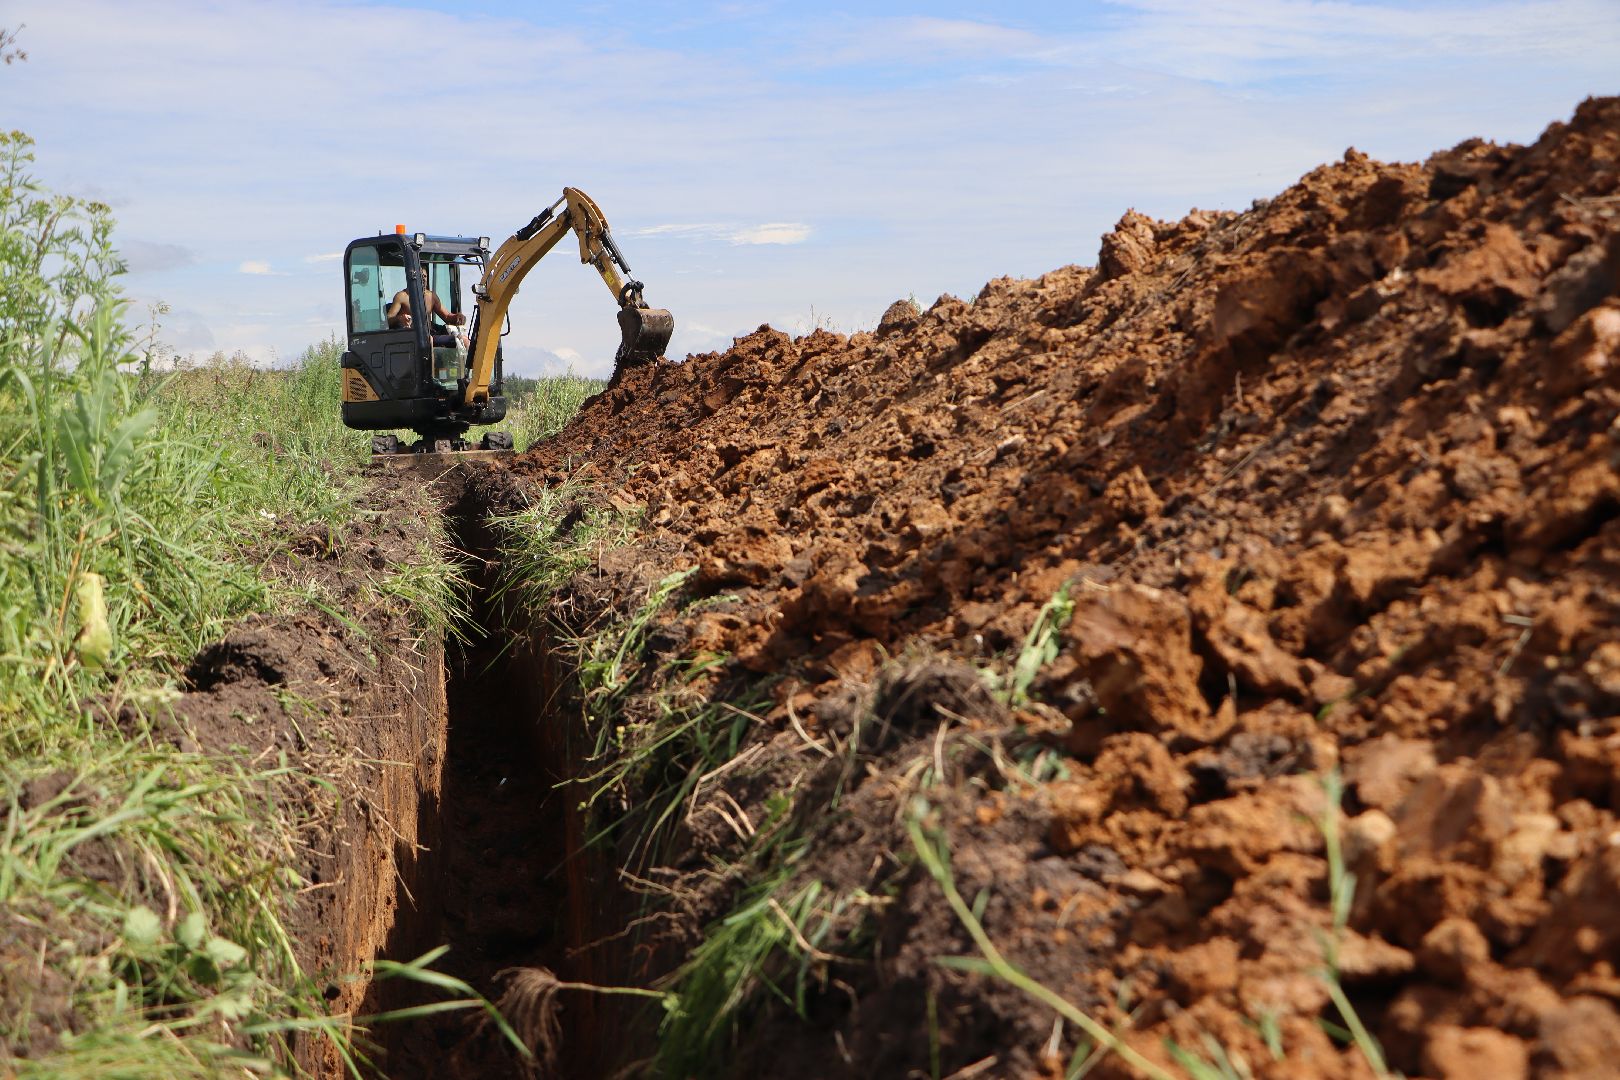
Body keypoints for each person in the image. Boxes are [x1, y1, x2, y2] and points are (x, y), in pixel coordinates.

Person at [387, 265, 467, 347]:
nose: (423, 279)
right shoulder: (402, 296)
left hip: (430, 333)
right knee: (428, 340)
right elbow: (388, 320)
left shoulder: (431, 296)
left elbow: (447, 316)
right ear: (412, 278)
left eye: (425, 276)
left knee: (464, 340)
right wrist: (400, 318)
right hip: (411, 336)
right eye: (420, 276)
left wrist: (457, 317)